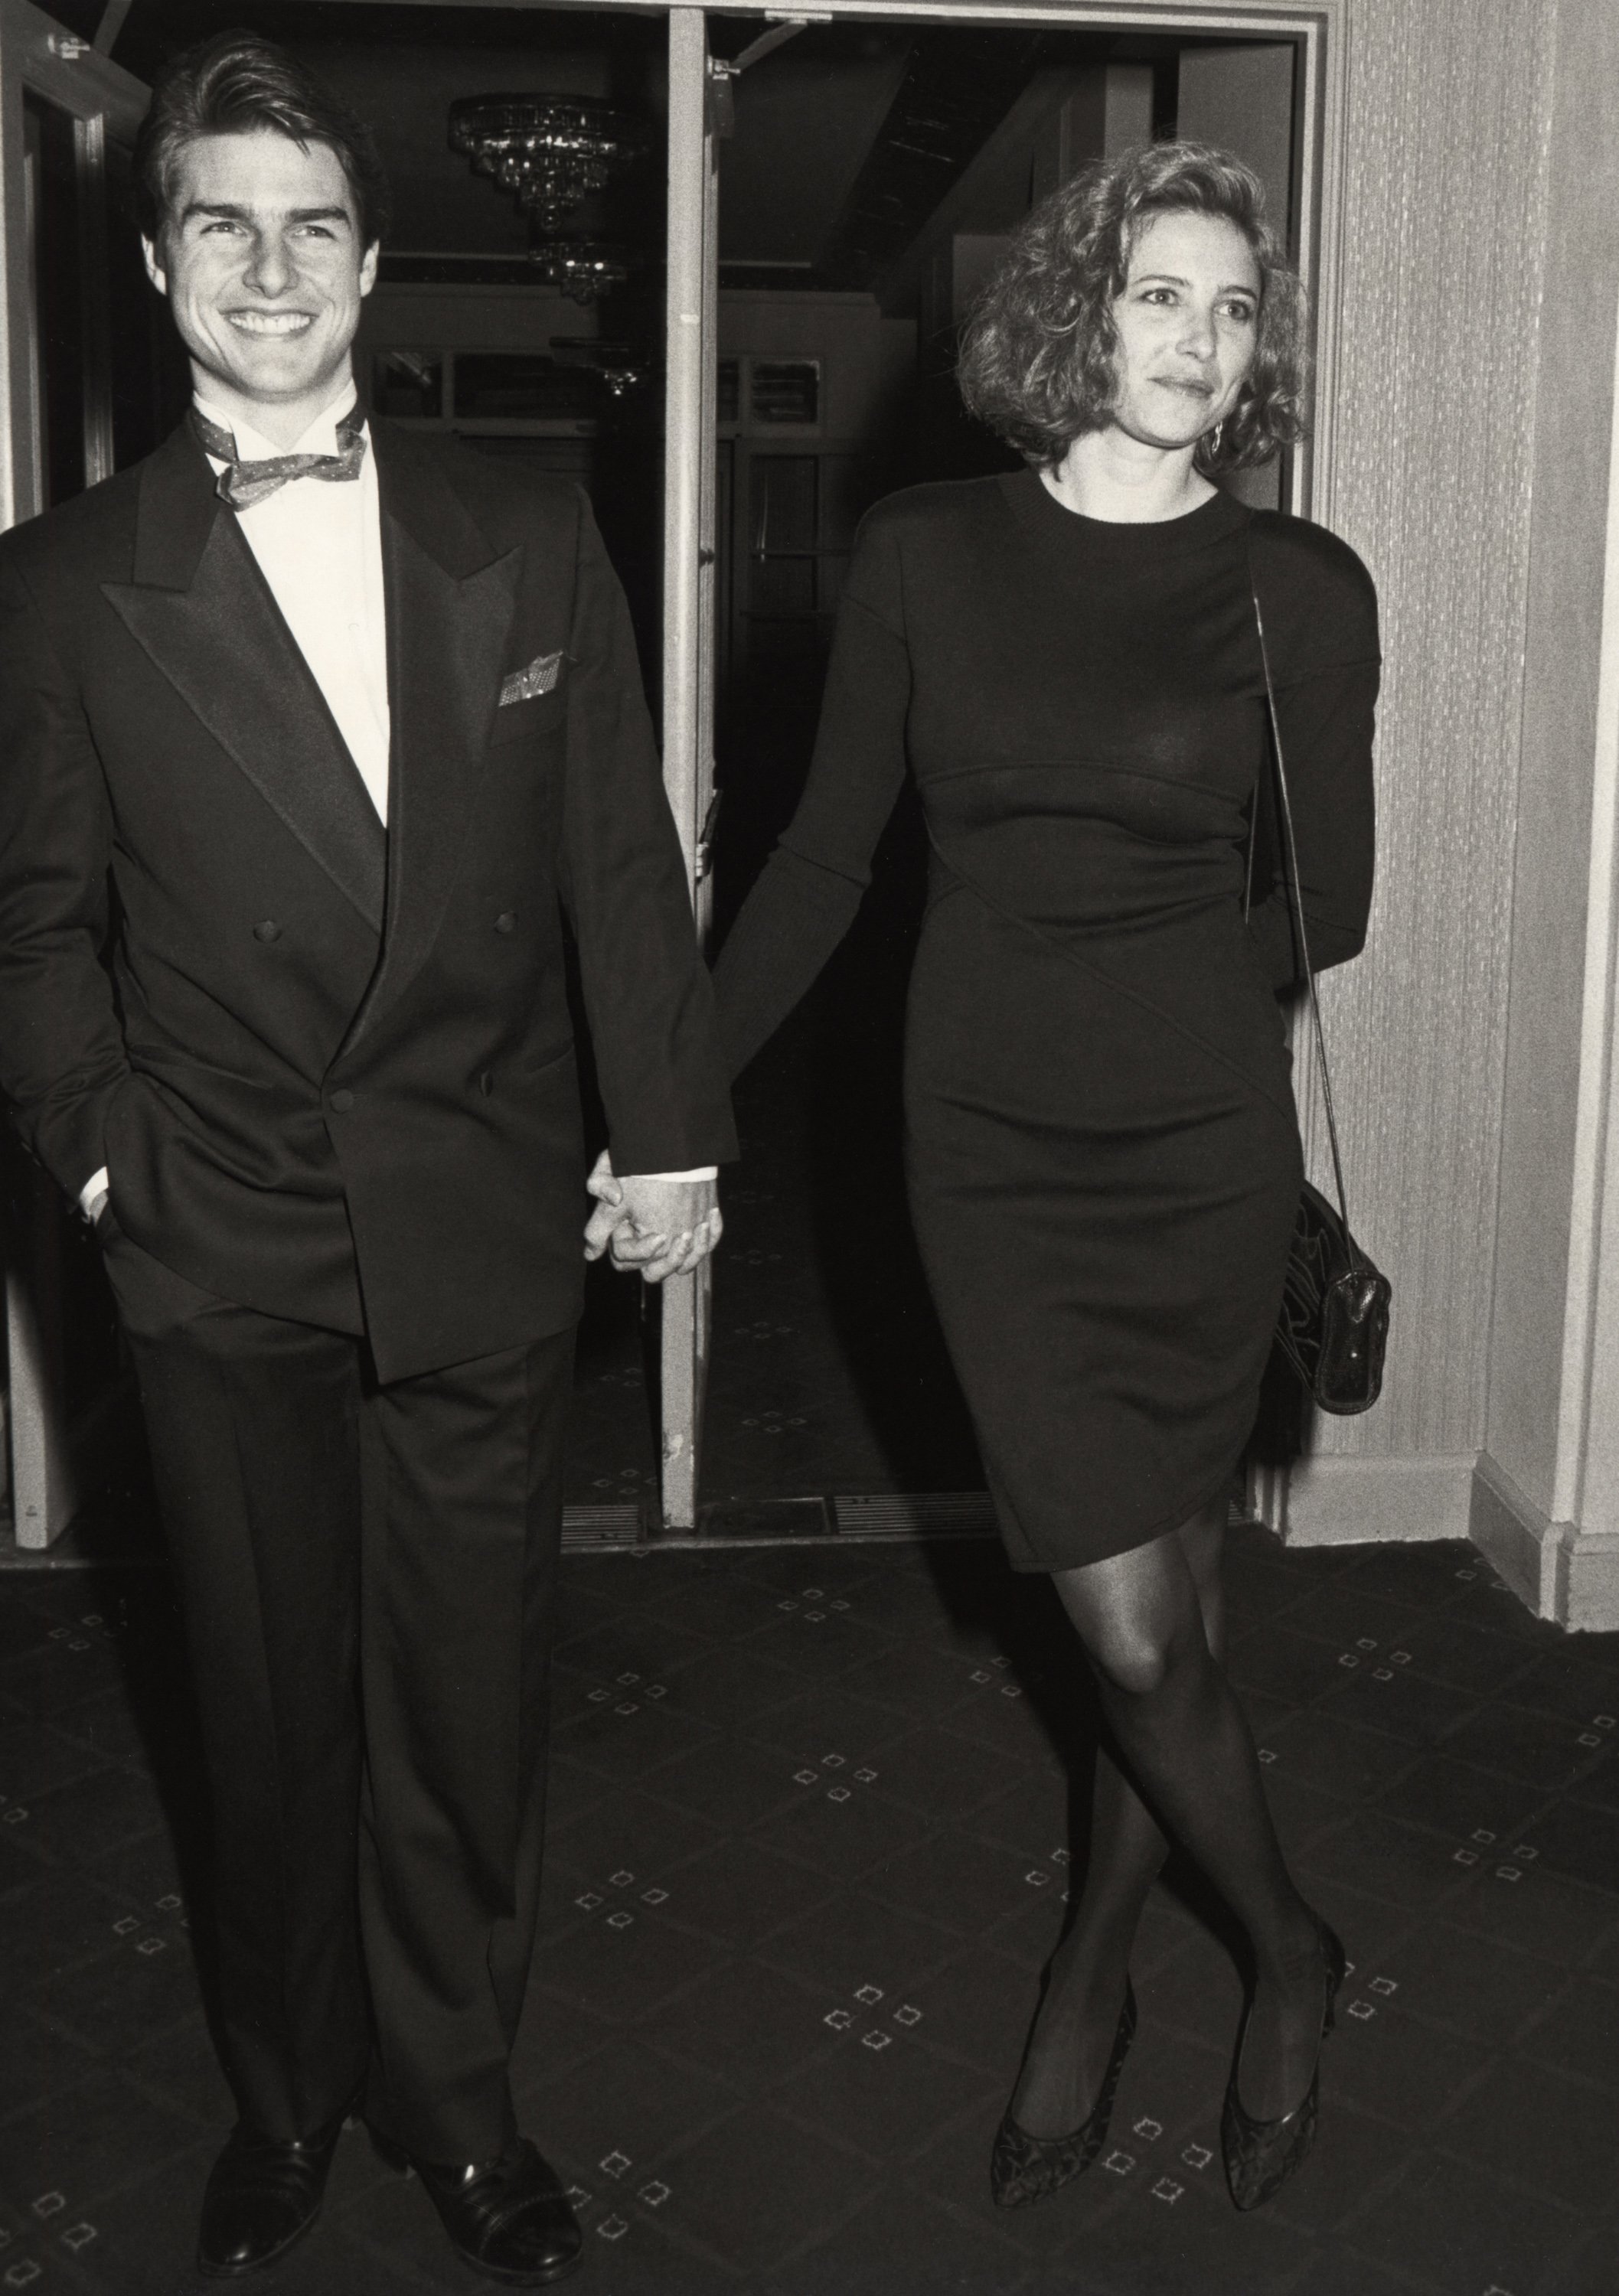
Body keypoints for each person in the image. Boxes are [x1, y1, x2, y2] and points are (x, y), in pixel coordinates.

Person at [0, 32, 733, 2286]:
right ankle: (286, 2090)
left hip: (483, 1222)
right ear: (156, 263)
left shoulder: (521, 532)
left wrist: (674, 1138)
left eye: (311, 223)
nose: (270, 264)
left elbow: (619, 858)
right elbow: (29, 930)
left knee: (460, 1705)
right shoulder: (56, 586)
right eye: (222, 219)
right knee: (261, 1711)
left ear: (373, 263)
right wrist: (115, 1174)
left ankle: (460, 2102)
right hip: (220, 1236)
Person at [713, 141, 1378, 2214]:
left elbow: (1321, 916)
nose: (1198, 341)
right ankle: (1283, 1945)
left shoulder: (1298, 589)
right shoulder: (923, 555)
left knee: (1150, 1622)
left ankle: (1113, 1938)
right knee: (1124, 1621)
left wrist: (1168, 962)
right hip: (987, 1165)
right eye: (1160, 294)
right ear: (1079, 309)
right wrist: (659, 1094)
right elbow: (824, 860)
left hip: (1193, 1161)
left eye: (1232, 308)